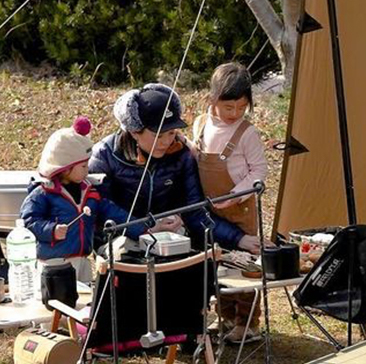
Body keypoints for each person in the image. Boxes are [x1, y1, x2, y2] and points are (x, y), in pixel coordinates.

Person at [88, 83, 258, 253]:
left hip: (170, 238)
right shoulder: (104, 154)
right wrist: (144, 229)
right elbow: (101, 207)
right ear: (134, 131)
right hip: (120, 241)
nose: (166, 142)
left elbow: (195, 210)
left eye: (171, 133)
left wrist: (239, 239)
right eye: (158, 135)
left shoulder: (182, 155)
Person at [192, 62, 267, 344]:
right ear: (213, 100)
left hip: (239, 208)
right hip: (208, 207)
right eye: (228, 108)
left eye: (241, 108)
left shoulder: (247, 133)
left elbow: (259, 171)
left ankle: (247, 322)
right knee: (217, 262)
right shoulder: (203, 123)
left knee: (245, 266)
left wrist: (236, 194)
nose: (235, 114)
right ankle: (224, 316)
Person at [21, 117, 141, 284]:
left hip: (83, 260)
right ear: (65, 168)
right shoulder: (43, 193)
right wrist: (51, 230)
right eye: (83, 166)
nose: (88, 170)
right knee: (57, 302)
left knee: (84, 302)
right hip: (54, 265)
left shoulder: (89, 191)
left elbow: (116, 214)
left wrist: (144, 229)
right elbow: (28, 221)